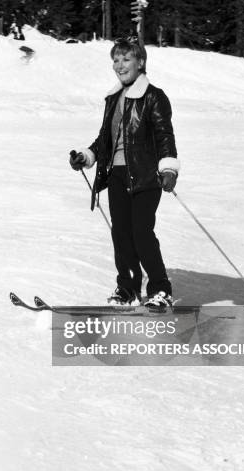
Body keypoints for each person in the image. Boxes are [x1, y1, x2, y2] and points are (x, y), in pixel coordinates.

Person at [70, 37, 180, 308]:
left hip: (146, 176)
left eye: (126, 59)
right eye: (115, 60)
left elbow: (164, 135)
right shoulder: (114, 98)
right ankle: (128, 288)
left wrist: (168, 168)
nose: (119, 65)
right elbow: (104, 139)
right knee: (121, 233)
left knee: (141, 232)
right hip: (117, 175)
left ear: (140, 62)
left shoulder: (153, 96)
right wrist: (87, 156)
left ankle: (160, 289)